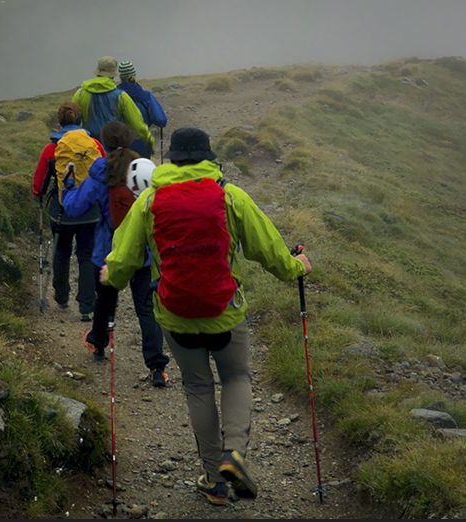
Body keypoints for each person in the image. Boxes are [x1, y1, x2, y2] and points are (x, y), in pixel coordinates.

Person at [100, 127, 313, 505]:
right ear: (208, 158)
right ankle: (235, 454)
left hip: (174, 315)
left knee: (197, 386)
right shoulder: (230, 196)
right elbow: (269, 251)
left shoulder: (149, 201)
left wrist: (109, 275)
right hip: (224, 314)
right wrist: (296, 266)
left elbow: (124, 259)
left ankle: (214, 480)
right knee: (235, 376)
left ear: (173, 161)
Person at [61, 121, 169, 387]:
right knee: (146, 308)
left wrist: (68, 185)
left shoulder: (101, 173)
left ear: (104, 144)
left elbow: (74, 209)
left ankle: (98, 343)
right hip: (143, 253)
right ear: (131, 139)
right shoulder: (145, 169)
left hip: (109, 253)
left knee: (106, 302)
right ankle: (157, 367)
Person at [32, 101, 105, 321]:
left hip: (62, 211)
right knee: (86, 255)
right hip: (91, 210)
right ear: (80, 120)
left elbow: (39, 184)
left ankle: (61, 297)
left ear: (59, 122)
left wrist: (39, 196)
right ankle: (86, 306)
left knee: (62, 252)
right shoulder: (94, 145)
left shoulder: (52, 148)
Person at [72, 56, 155, 157]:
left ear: (97, 72)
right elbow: (137, 124)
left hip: (88, 150)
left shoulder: (80, 94)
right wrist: (148, 140)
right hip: (112, 152)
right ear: (113, 75)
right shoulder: (121, 96)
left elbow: (72, 121)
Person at [117, 60, 168, 159]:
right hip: (141, 146)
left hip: (118, 146)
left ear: (121, 77)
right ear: (134, 76)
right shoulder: (145, 96)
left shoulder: (114, 96)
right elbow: (161, 120)